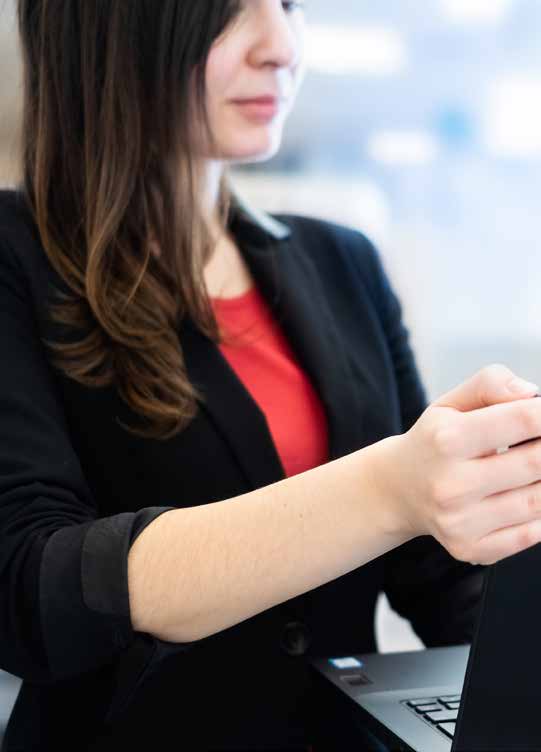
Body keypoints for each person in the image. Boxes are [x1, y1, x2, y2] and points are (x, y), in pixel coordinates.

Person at [2, 1, 541, 750]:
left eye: (286, 6)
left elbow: (438, 573)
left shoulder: (340, 261)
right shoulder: (15, 262)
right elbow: (32, 588)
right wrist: (392, 488)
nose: (282, 46)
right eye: (227, 12)